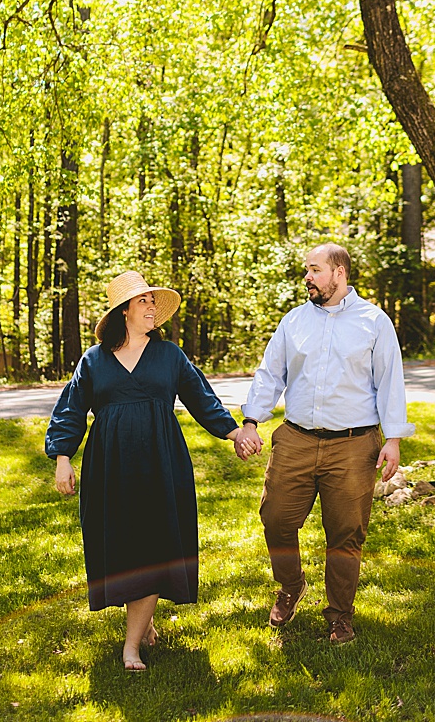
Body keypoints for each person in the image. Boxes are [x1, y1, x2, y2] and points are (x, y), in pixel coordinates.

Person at [46, 270, 244, 672]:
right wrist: (63, 457)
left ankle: (131, 646)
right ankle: (144, 619)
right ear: (123, 311)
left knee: (154, 543)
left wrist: (234, 431)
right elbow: (70, 409)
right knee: (123, 545)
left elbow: (200, 397)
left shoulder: (169, 355)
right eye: (144, 302)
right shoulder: (94, 360)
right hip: (110, 467)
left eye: (153, 301)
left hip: (160, 461)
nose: (152, 307)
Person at [233, 242, 413, 644]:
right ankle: (291, 585)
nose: (308, 278)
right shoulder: (294, 321)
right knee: (276, 519)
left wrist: (394, 438)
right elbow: (270, 374)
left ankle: (339, 616)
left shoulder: (374, 321)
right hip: (296, 439)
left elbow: (390, 381)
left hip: (353, 444)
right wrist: (250, 421)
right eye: (307, 271)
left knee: (346, 533)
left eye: (315, 270)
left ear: (339, 273)